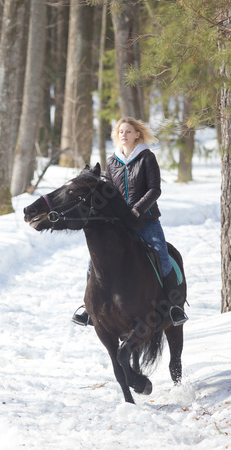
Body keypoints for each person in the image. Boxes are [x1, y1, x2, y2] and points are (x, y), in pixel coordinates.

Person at [72, 117, 188, 327]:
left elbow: (155, 190)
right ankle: (88, 308)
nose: (123, 135)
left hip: (146, 219)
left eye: (128, 131)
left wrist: (137, 210)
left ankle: (173, 306)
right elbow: (111, 191)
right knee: (93, 261)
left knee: (161, 254)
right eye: (120, 132)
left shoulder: (147, 158)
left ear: (137, 135)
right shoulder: (112, 161)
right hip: (119, 224)